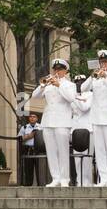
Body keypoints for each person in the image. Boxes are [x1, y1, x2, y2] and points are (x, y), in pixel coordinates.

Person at [79, 51, 107, 187]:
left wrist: (105, 77)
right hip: (97, 118)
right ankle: (103, 178)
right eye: (101, 62)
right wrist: (92, 76)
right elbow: (82, 88)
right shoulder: (95, 78)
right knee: (100, 151)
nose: (103, 64)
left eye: (106, 61)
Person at [31, 59, 77, 187]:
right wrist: (42, 85)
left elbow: (71, 98)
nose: (57, 71)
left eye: (59, 69)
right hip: (48, 121)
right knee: (51, 151)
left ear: (65, 70)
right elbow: (34, 96)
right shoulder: (48, 84)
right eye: (55, 69)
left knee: (63, 151)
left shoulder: (69, 85)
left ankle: (64, 179)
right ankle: (55, 178)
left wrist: (59, 85)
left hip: (62, 121)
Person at [19, 113, 40, 186]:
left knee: (39, 169)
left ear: (37, 118)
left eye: (34, 117)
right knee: (28, 169)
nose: (32, 118)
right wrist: (29, 136)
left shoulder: (41, 127)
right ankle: (28, 185)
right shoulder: (24, 127)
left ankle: (40, 185)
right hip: (28, 149)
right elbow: (19, 139)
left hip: (38, 150)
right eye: (30, 117)